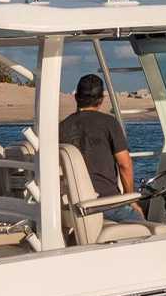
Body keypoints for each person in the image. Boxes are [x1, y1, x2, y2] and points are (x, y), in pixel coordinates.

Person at [59, 73, 140, 219]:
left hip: (75, 206)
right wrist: (131, 200)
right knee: (145, 223)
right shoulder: (109, 123)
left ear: (76, 97)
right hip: (107, 204)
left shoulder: (62, 127)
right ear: (101, 99)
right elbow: (125, 165)